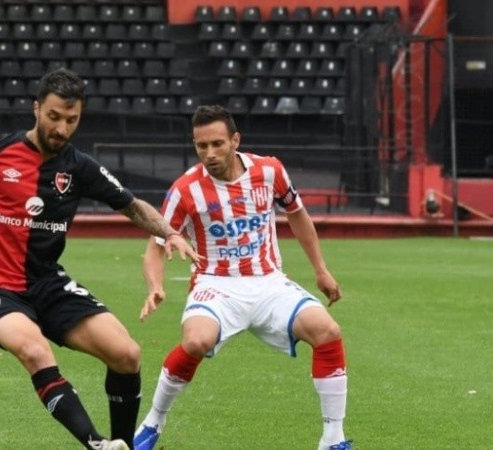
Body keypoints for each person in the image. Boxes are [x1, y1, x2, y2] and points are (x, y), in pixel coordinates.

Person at [0, 68, 200, 449]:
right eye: (54, 116)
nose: (62, 129)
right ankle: (97, 444)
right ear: (36, 109)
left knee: (127, 354)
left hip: (47, 283)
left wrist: (169, 232)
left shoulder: (79, 167)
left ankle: (123, 446)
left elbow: (131, 205)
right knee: (35, 351)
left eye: (72, 120)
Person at [133, 105, 350, 450]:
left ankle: (333, 439)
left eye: (217, 143)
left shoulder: (270, 170)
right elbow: (155, 247)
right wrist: (155, 286)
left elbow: (297, 214)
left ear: (235, 140)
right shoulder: (185, 190)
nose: (209, 153)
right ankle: (153, 421)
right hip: (215, 285)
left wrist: (320, 270)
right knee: (196, 341)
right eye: (201, 146)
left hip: (268, 282)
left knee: (327, 331)